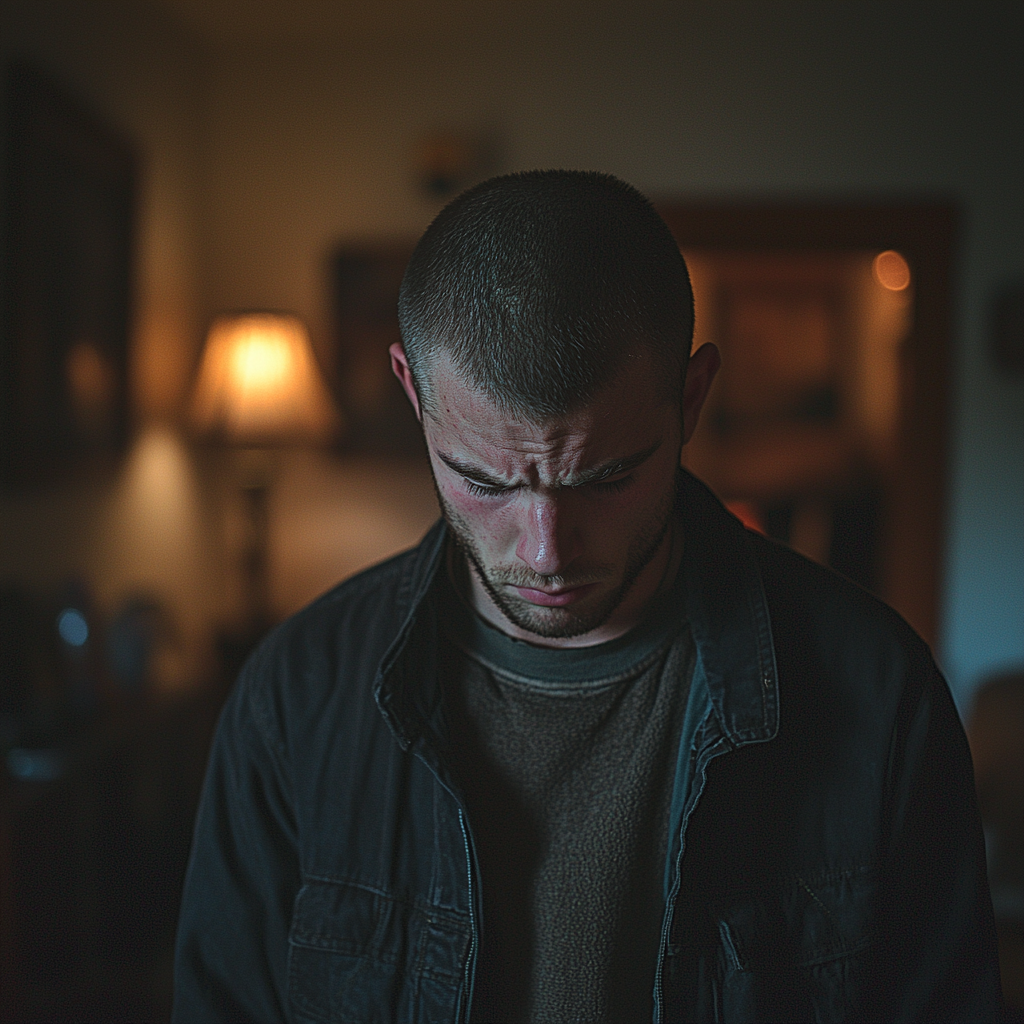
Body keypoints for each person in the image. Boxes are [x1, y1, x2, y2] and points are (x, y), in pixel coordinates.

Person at [173, 171, 1001, 1023]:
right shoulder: (294, 697)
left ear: (691, 397)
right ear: (412, 394)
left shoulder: (876, 692)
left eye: (606, 479)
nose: (547, 552)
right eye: (484, 481)